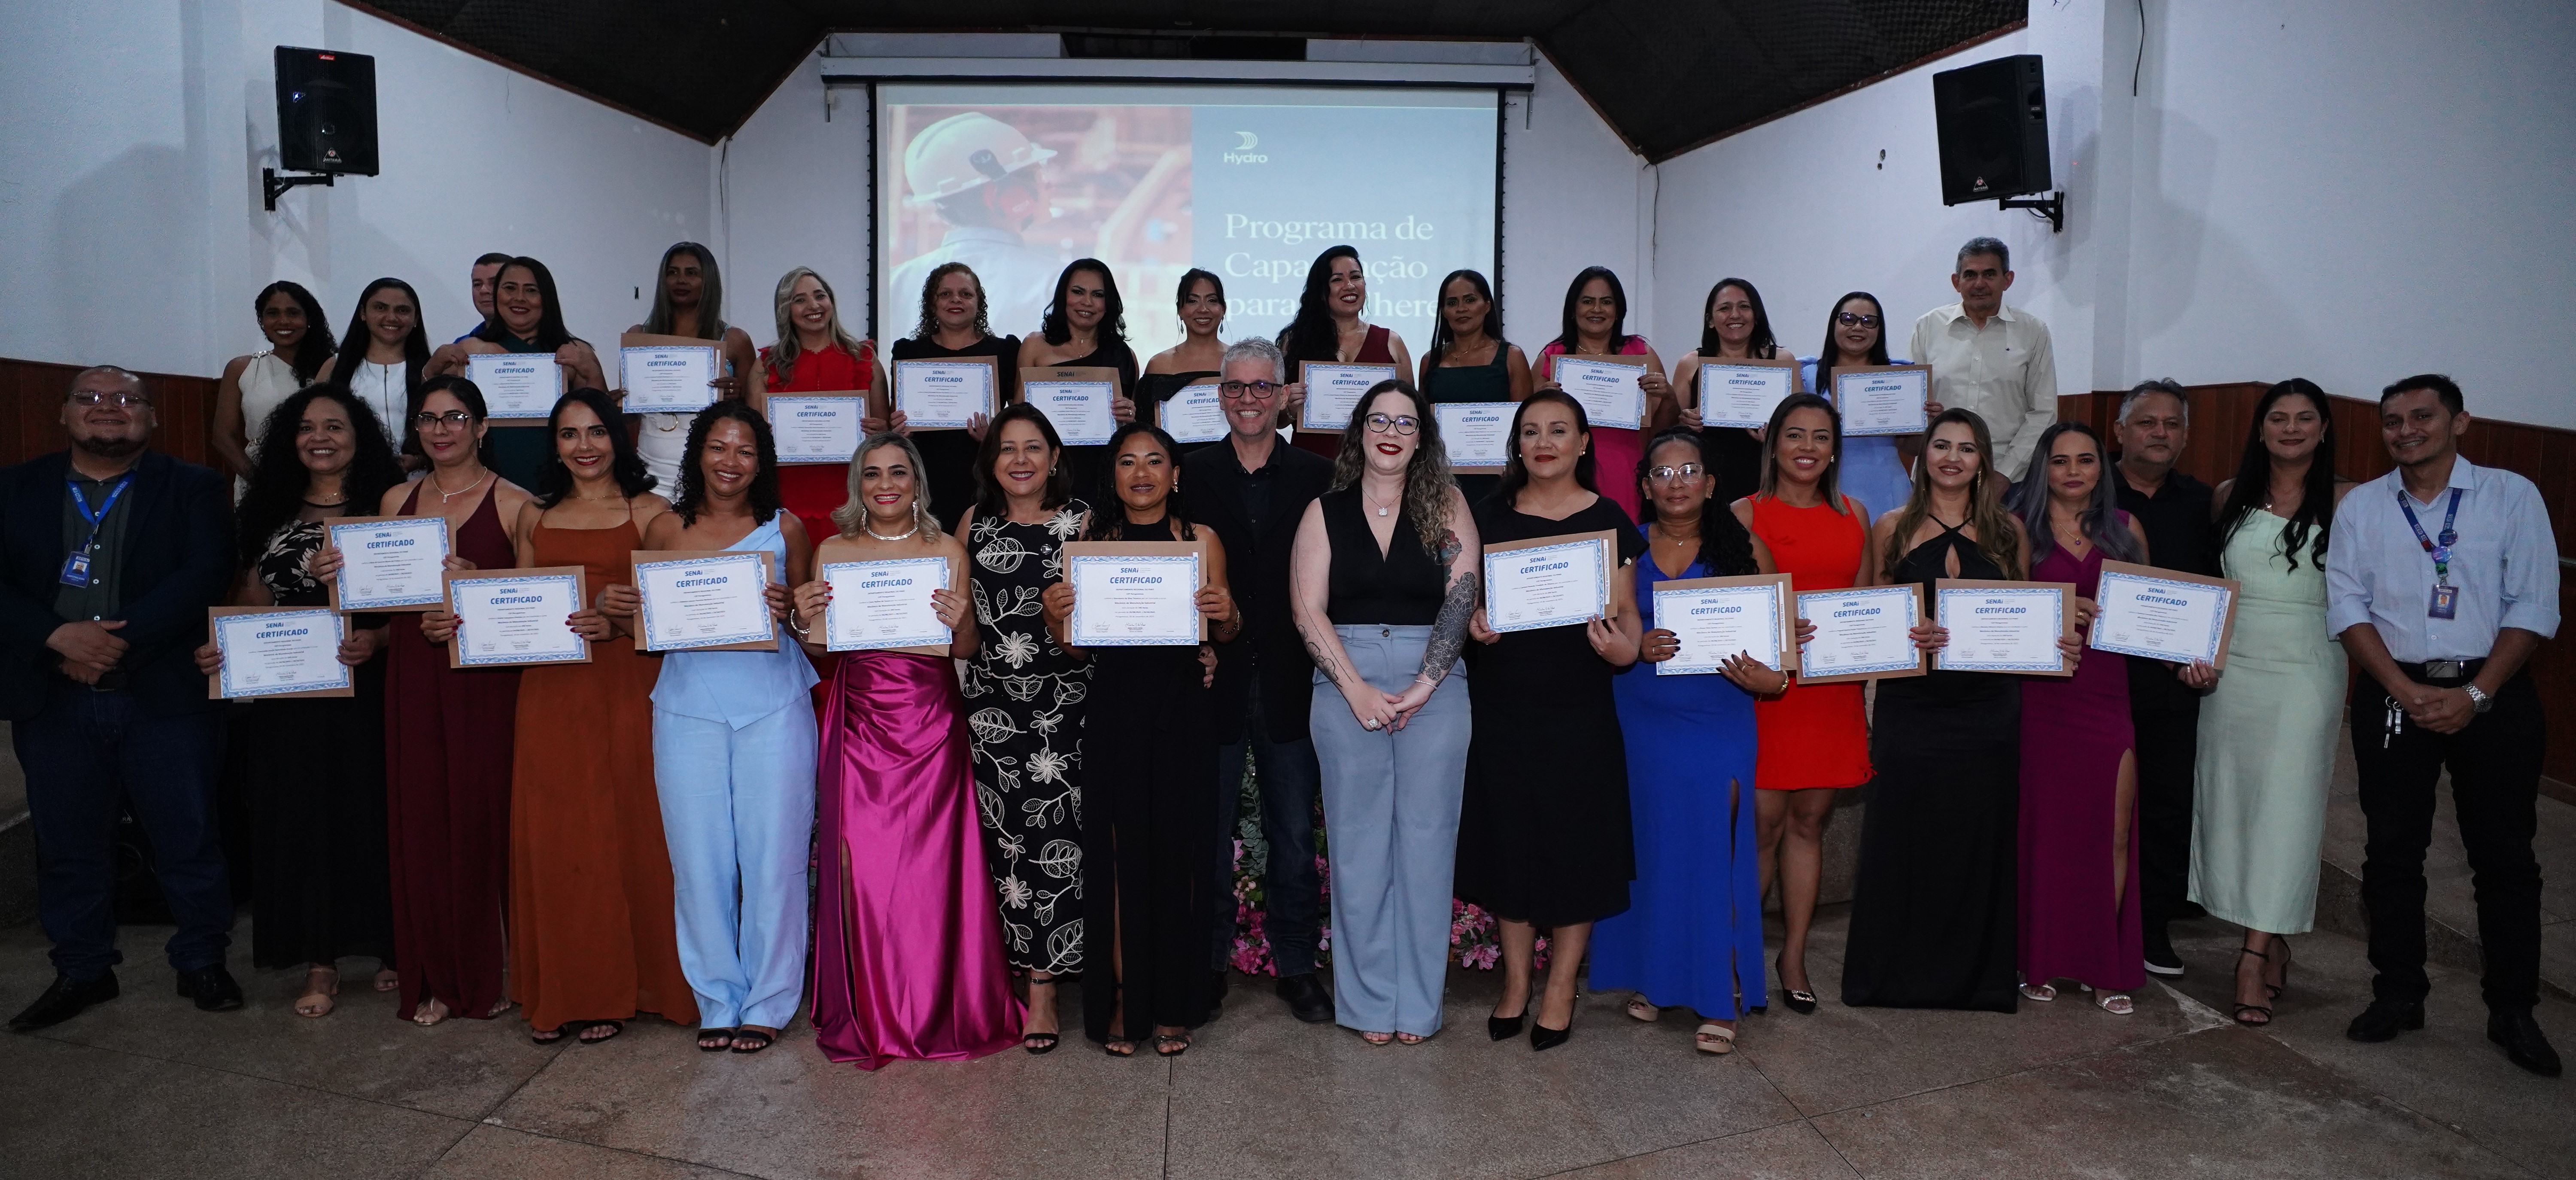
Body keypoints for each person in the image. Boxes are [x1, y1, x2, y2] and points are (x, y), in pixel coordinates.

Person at [2330, 374, 2561, 1077]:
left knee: (2505, 858)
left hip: (2495, 693)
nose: (2406, 430)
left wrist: (2478, 692)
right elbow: (2346, 604)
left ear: (2461, 422)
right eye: (2393, 420)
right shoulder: (2364, 507)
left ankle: (2513, 1008)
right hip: (2394, 691)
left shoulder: (2512, 494)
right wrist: (2402, 687)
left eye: (2423, 416)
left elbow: (2535, 603)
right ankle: (2399, 991)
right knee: (2392, 853)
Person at [2, 367, 238, 1032]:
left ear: (153, 419)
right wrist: (57, 638)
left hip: (162, 694)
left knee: (188, 836)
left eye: (129, 400)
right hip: (52, 697)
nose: (111, 409)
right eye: (93, 399)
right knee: (67, 843)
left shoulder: (194, 487)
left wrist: (107, 646)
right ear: (65, 413)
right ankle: (82, 969)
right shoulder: (14, 488)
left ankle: (200, 959)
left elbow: (202, 576)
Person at [796, 431, 1020, 1067]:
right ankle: (872, 1006)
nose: (885, 484)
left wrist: (963, 620)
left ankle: (934, 1005)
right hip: (860, 720)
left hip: (930, 722)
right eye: (872, 474)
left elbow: (968, 648)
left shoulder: (946, 549)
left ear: (917, 482)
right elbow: (820, 647)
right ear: (857, 485)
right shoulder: (832, 550)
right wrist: (799, 617)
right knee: (861, 869)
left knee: (932, 870)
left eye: (898, 472)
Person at [191, 386, 403, 1017]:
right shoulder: (265, 511)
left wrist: (380, 638)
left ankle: (391, 942)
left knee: (373, 813)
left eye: (336, 426)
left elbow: (417, 604)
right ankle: (321, 960)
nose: (321, 437)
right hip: (289, 695)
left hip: (367, 687)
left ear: (359, 438)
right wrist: (225, 653)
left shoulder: (388, 507)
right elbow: (254, 601)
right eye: (307, 427)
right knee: (301, 819)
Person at [1290, 380, 1478, 1045]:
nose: (1391, 431)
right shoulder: (1325, 511)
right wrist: (1357, 689)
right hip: (1347, 681)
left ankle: (1418, 1008)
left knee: (1428, 845)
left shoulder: (1447, 505)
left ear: (1422, 438)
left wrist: (1427, 684)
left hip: (1438, 682)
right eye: (1379, 420)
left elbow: (1461, 598)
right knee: (1359, 847)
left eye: (1405, 421)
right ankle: (1370, 1004)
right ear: (1360, 432)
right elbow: (1307, 609)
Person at [1842, 408, 2049, 1012]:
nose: (1952, 457)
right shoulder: (1890, 527)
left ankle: (1978, 979)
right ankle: (1891, 977)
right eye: (1942, 445)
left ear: (1984, 461)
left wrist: (2055, 638)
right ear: (1922, 454)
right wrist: (1907, 630)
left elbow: (2027, 623)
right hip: (1912, 704)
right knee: (1901, 834)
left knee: (1978, 836)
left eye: (1967, 448)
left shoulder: (2011, 531)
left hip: (1987, 706)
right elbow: (1873, 615)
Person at [1458, 390, 1646, 1049]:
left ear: (1584, 442)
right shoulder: (1484, 518)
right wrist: (1473, 628)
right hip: (1504, 706)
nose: (1544, 442)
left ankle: (1560, 987)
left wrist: (1625, 649)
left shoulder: (1609, 519)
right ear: (1515, 444)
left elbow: (1628, 620)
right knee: (1511, 844)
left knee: (1576, 851)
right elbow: (1465, 611)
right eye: (1531, 431)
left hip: (1580, 709)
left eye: (1558, 430)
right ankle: (1516, 984)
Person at [505, 389, 693, 1045]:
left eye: (596, 433)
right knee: (562, 836)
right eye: (567, 435)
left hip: (627, 687)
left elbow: (676, 615)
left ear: (619, 438)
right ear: (553, 445)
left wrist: (619, 624)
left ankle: (635, 986)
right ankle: (574, 987)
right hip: (551, 695)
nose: (583, 447)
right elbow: (522, 610)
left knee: (634, 833)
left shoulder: (654, 513)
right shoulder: (535, 516)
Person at [1597, 425, 1790, 1054]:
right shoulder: (1625, 550)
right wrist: (1637, 646)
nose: (1675, 482)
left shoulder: (1746, 548)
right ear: (1645, 486)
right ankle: (1657, 978)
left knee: (1715, 850)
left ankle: (1721, 991)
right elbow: (1616, 635)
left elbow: (1778, 660)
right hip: (1641, 721)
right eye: (1662, 473)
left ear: (1710, 485)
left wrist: (1771, 682)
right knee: (1653, 848)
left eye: (1688, 472)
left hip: (1720, 719)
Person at [1052, 423, 1241, 1056]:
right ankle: (1125, 998)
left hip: (1185, 710)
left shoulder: (1201, 539)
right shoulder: (1090, 542)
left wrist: (1224, 613)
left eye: (1155, 461)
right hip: (1116, 709)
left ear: (1175, 473)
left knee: (1178, 858)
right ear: (1112, 476)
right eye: (1128, 462)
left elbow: (1229, 628)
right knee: (1117, 857)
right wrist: (1056, 617)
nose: (1142, 473)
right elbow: (1078, 647)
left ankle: (1172, 1003)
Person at [642, 403, 820, 1055]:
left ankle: (770, 1001)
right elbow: (647, 621)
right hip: (686, 707)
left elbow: (813, 631)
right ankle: (716, 997)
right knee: (699, 862)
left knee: (774, 859)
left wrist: (789, 613)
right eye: (719, 448)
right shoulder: (663, 529)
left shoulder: (786, 529)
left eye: (745, 452)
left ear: (761, 463)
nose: (730, 462)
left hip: (773, 705)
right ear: (697, 454)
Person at [362, 374, 538, 1025]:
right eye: (429, 419)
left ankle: (489, 970)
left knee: (481, 820)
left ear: (482, 427)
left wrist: (476, 589)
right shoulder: (393, 500)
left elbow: (533, 614)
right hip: (412, 673)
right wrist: (343, 575)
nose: (441, 429)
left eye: (456, 417)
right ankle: (432, 973)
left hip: (483, 684)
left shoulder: (519, 505)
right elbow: (383, 600)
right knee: (422, 821)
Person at [2190, 378, 2355, 1027]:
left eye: (2304, 418)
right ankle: (2271, 931)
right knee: (2232, 801)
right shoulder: (2230, 497)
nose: (2291, 429)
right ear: (2260, 430)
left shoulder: (2350, 501)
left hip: (2309, 667)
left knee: (2288, 807)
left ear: (2323, 428)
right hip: (2234, 668)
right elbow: (2212, 587)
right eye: (2278, 418)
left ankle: (2253, 957)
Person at [1182, 337, 1337, 1024]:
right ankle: (1208, 964)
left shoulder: (1318, 474)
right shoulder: (1189, 472)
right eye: (1235, 388)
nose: (1248, 399)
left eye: (1261, 388)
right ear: (1221, 396)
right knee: (1207, 833)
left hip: (1292, 676)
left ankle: (1297, 967)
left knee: (1294, 836)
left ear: (1281, 395)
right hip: (1209, 676)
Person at [955, 403, 1091, 1053]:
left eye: (1033, 447)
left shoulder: (1084, 522)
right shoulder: (972, 526)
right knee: (1007, 845)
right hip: (992, 707)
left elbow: (1107, 623)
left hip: (1066, 702)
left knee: (1058, 837)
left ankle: (1046, 985)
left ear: (1055, 457)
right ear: (991, 461)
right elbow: (966, 633)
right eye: (1006, 448)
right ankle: (1011, 967)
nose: (1019, 459)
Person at [1738, 393, 1878, 1014]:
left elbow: (1869, 598)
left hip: (1831, 693)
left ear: (1835, 449)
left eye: (1821, 438)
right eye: (1795, 436)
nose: (1807, 449)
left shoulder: (1857, 513)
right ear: (1773, 442)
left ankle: (1793, 955)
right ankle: (1741, 953)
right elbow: (1730, 605)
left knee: (1809, 824)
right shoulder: (1744, 512)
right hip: (1769, 694)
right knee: (1762, 826)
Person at [2007, 423, 2140, 1015]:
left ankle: (2101, 962)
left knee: (2112, 830)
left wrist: (2194, 655)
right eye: (2059, 461)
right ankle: (2042, 958)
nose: (2073, 471)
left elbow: (2153, 616)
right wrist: (2054, 617)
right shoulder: (2019, 532)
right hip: (2043, 699)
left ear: (2100, 469)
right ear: (2043, 469)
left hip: (2108, 697)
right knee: (2046, 831)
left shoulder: (2128, 531)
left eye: (2086, 460)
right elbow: (2001, 621)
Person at [2107, 378, 2217, 976]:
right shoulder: (2084, 487)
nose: (2159, 433)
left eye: (2171, 424)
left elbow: (2218, 593)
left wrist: (2208, 658)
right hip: (2097, 677)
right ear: (2120, 431)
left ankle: (2150, 927)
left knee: (2166, 802)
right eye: (2147, 422)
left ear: (2185, 436)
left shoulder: (2202, 504)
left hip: (2174, 680)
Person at [430, 256, 608, 494]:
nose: (519, 298)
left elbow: (604, 428)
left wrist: (592, 372)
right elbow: (432, 414)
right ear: (497, 296)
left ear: (547, 298)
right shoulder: (471, 350)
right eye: (510, 288)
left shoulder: (576, 352)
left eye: (531, 290)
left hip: (562, 482)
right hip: (484, 481)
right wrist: (432, 367)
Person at [886, 112, 1062, 338]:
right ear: (1004, 195)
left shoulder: (894, 282)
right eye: (1037, 175)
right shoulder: (1054, 283)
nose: (1047, 185)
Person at [753, 266, 884, 548]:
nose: (813, 306)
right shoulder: (765, 365)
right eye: (799, 300)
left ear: (831, 301)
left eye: (820, 296)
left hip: (854, 500)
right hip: (787, 502)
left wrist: (880, 431)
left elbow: (887, 439)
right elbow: (752, 441)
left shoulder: (864, 359)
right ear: (785, 310)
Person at [1907, 237, 2057, 481]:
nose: (1979, 284)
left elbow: (2044, 412)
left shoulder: (2033, 332)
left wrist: (2005, 473)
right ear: (1957, 282)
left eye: (1989, 274)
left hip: (2008, 478)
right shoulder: (1927, 327)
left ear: (2007, 280)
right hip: (1938, 472)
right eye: (1970, 275)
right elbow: (1911, 402)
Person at [885, 263, 1018, 532]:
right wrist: (897, 428)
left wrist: (995, 437)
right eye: (945, 294)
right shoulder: (908, 353)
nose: (956, 300)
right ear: (931, 304)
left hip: (984, 476)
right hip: (926, 478)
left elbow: (1021, 418)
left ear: (979, 303)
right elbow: (893, 417)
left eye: (966, 294)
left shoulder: (1005, 351)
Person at [1532, 267, 1671, 522]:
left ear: (1618, 311)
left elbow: (1663, 430)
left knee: (1624, 552)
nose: (1597, 309)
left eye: (1606, 302)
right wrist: (1540, 401)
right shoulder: (1552, 357)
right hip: (1566, 473)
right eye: (1588, 301)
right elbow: (1525, 428)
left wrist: (1668, 395)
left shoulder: (1641, 353)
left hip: (1626, 472)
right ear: (1573, 309)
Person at [629, 243, 757, 493]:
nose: (681, 280)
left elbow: (753, 419)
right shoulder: (639, 337)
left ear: (708, 280)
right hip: (650, 466)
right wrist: (621, 402)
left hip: (713, 470)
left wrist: (737, 395)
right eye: (673, 272)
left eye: (692, 273)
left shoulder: (735, 340)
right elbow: (632, 414)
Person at [1017, 259, 1142, 503]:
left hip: (1102, 475)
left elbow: (1132, 429)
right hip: (1046, 472)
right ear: (1063, 296)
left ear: (1109, 303)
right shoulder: (1034, 346)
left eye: (1098, 294)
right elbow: (1020, 413)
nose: (1087, 302)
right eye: (1078, 292)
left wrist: (1130, 417)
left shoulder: (1124, 356)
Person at [1280, 246, 1416, 461]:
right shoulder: (1295, 341)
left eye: (1356, 277)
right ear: (1322, 291)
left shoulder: (1391, 342)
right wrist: (1289, 409)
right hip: (1309, 461)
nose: (1349, 286)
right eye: (1337, 280)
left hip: (1375, 467)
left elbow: (1411, 415)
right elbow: (1277, 420)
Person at [1798, 292, 1918, 521]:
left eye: (1868, 322)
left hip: (1888, 486)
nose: (1858, 328)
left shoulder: (1899, 376)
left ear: (1879, 329)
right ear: (1834, 324)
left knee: (1890, 554)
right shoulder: (1807, 376)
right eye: (1848, 319)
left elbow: (1913, 448)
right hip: (1825, 483)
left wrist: (1926, 420)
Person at [1416, 269, 1530, 506]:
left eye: (1470, 300)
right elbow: (1423, 426)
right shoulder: (1430, 361)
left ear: (1487, 305)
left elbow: (1525, 425)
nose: (1461, 309)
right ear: (1444, 311)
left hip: (1500, 481)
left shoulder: (1512, 357)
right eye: (1452, 303)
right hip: (1442, 481)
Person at [1669, 278, 1781, 506]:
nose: (1735, 315)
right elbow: (1671, 433)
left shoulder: (1782, 361)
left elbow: (1795, 427)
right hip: (1706, 481)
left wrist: (1776, 435)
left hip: (1765, 476)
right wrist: (1684, 422)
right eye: (1724, 308)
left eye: (1744, 306)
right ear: (1710, 321)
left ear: (1757, 315)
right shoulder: (1690, 364)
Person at [215, 281, 333, 496]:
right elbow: (223, 436)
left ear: (309, 319)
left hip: (323, 474)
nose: (283, 321)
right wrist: (260, 481)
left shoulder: (331, 367)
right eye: (273, 313)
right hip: (259, 477)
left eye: (293, 313)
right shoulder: (241, 368)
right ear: (262, 321)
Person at [314, 278, 433, 459]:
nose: (391, 317)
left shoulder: (431, 370)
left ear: (415, 318)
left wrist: (419, 461)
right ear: (363, 313)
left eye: (402, 310)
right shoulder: (335, 367)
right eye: (381, 308)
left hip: (418, 479)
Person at [1139, 268, 1230, 459]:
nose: (1203, 309)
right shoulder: (1159, 365)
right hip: (1174, 469)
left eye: (1212, 300)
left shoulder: (1239, 362)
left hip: (1234, 467)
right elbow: (1144, 427)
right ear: (1180, 310)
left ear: (1223, 309)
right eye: (1193, 301)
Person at [456, 252, 510, 343]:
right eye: (477, 284)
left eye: (494, 283)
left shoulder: (540, 346)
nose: (484, 290)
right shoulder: (460, 347)